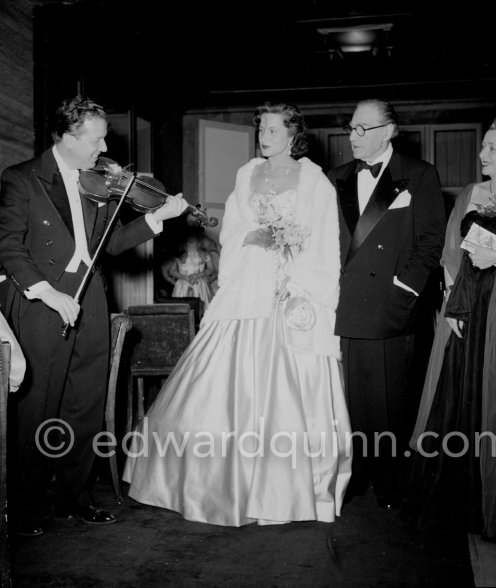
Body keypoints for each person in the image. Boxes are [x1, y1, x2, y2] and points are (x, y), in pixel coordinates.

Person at [123, 102, 352, 526]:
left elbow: (324, 240)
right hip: (249, 279)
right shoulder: (247, 173)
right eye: (261, 129)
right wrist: (258, 239)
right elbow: (233, 230)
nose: (264, 136)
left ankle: (284, 490)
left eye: (272, 130)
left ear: (292, 134)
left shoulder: (314, 179)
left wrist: (296, 270)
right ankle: (211, 483)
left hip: (293, 283)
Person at [0, 95, 188, 537]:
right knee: (36, 406)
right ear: (68, 138)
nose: (104, 149)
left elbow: (112, 245)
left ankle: (74, 496)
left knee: (84, 404)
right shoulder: (22, 179)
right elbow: (8, 245)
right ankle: (24, 505)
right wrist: (46, 293)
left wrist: (157, 218)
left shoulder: (97, 184)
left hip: (91, 300)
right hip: (39, 302)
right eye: (97, 140)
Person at [405, 115, 496, 544]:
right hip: (465, 301)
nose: (482, 154)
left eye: (491, 148)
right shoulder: (471, 193)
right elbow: (451, 254)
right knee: (454, 391)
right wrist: (451, 303)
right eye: (483, 146)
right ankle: (448, 502)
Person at [327, 99, 446, 510]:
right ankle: (355, 471)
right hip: (342, 305)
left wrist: (405, 290)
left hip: (389, 306)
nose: (353, 136)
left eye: (363, 128)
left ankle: (388, 475)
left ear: (389, 131)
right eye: (351, 127)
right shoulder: (335, 177)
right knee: (348, 397)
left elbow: (432, 243)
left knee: (388, 398)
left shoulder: (419, 175)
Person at [165, 235, 215, 308]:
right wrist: (185, 277)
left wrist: (198, 275)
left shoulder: (204, 253)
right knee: (182, 309)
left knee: (202, 308)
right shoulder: (180, 254)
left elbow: (211, 269)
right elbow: (172, 271)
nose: (191, 238)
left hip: (199, 285)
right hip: (182, 286)